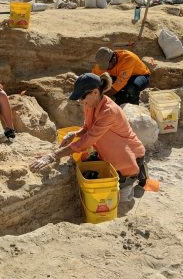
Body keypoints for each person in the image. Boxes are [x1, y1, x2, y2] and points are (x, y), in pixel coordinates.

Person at [30, 72, 147, 203]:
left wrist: (52, 156)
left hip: (127, 155)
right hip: (109, 153)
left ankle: (136, 170)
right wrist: (74, 134)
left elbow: (86, 142)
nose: (81, 101)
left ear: (95, 92)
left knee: (122, 199)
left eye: (82, 97)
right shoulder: (90, 104)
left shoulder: (109, 112)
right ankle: (135, 170)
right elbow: (87, 127)